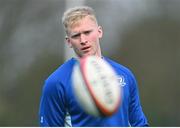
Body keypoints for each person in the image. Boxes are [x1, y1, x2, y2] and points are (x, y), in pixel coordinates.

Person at [39, 6, 149, 127]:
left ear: (99, 32)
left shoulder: (125, 75)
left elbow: (139, 124)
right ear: (69, 41)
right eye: (76, 36)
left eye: (87, 32)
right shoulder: (55, 83)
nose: (83, 40)